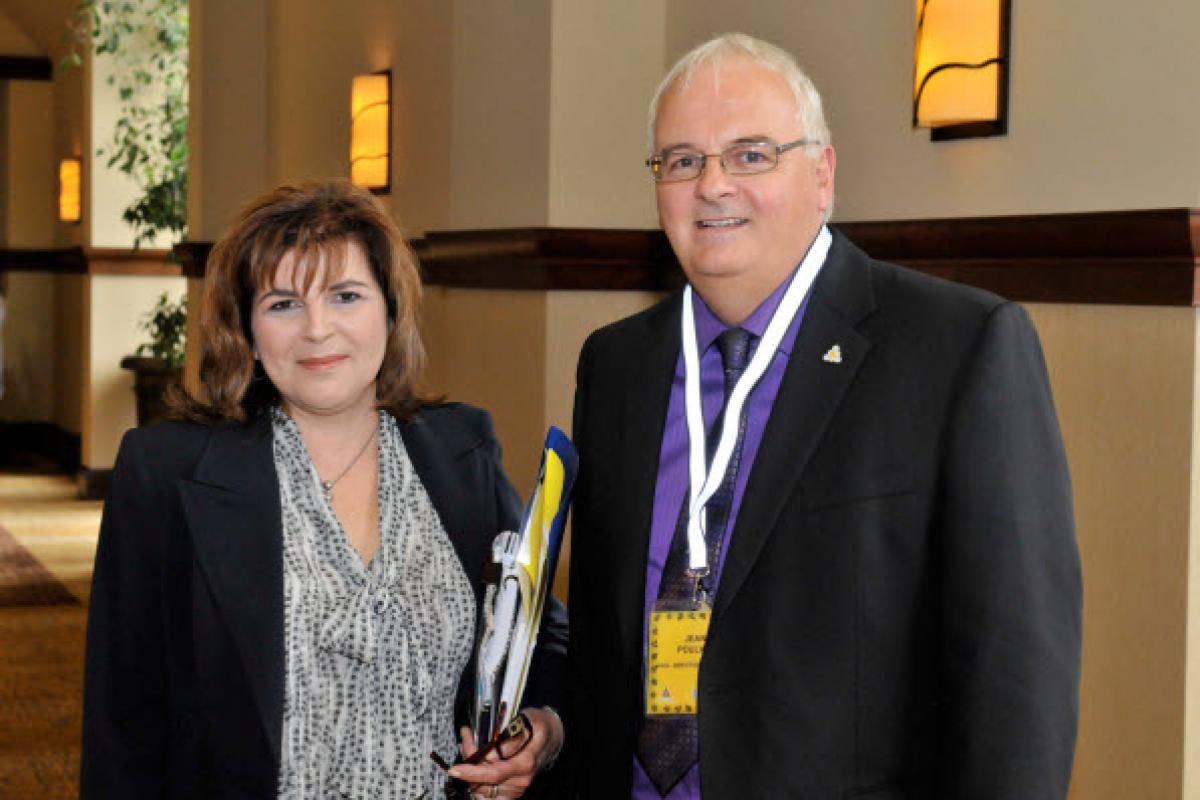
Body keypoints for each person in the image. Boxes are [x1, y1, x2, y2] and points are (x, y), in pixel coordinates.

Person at [566, 33, 1081, 798]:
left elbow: (1018, 687)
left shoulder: (958, 352)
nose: (712, 186)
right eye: (682, 160)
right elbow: (603, 654)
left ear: (823, 173)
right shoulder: (615, 368)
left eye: (750, 154)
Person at [81, 180, 565, 800]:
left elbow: (540, 635)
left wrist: (542, 733)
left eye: (345, 295)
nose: (317, 329)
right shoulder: (166, 476)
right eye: (283, 304)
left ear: (390, 312)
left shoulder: (461, 452)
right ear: (248, 330)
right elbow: (123, 723)